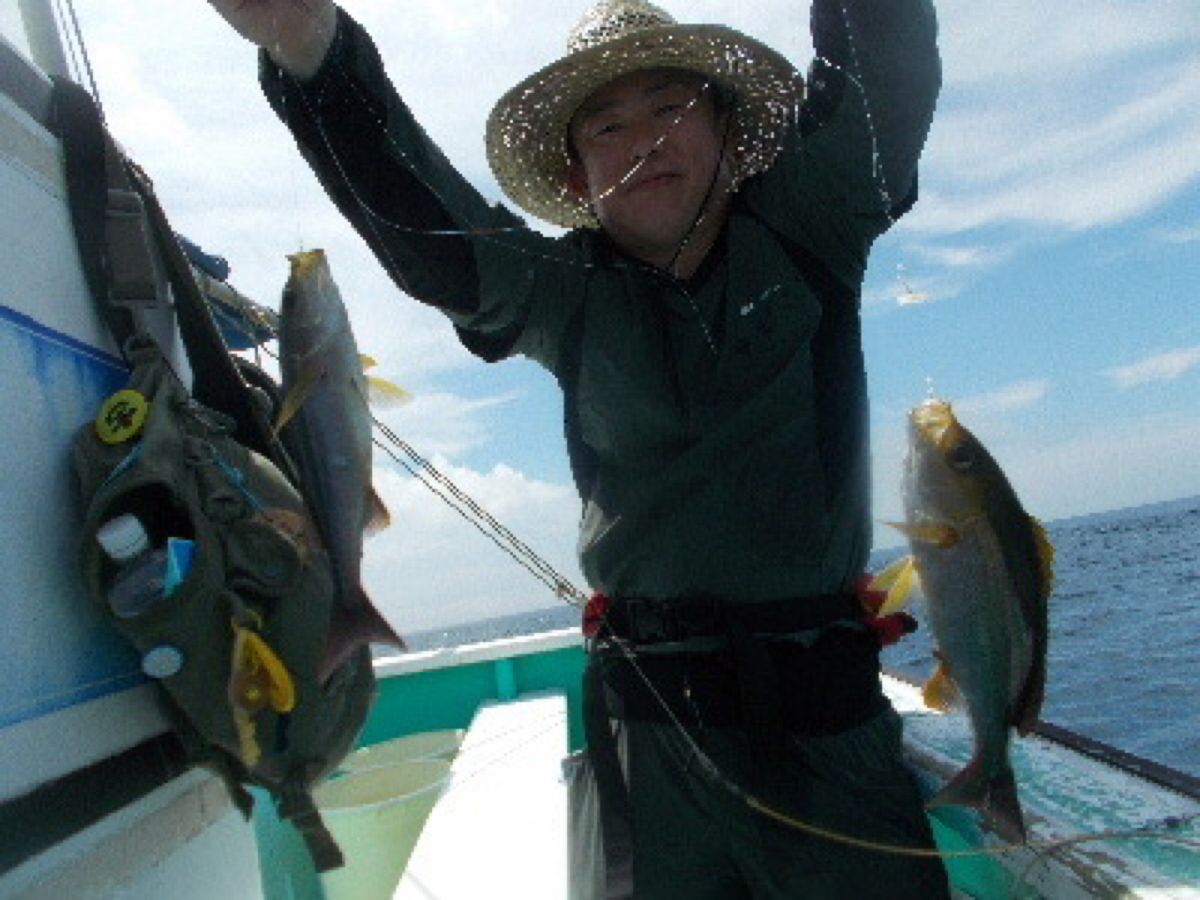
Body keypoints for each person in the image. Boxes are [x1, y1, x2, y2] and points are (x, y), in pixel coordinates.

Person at [208, 0, 948, 896]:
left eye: (671, 106)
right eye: (606, 125)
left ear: (726, 125)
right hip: (652, 740)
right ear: (578, 173)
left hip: (830, 722)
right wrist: (310, 49)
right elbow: (432, 240)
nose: (643, 139)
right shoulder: (565, 291)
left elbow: (884, 88)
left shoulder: (809, 225)